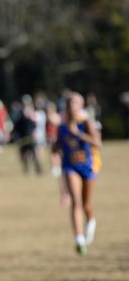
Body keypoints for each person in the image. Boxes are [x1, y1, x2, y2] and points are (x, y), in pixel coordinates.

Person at [52, 92, 102, 256]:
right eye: (68, 104)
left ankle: (91, 221)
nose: (70, 106)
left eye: (74, 103)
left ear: (80, 106)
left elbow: (97, 143)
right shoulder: (62, 126)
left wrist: (79, 134)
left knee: (87, 203)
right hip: (70, 166)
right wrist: (55, 148)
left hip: (88, 166)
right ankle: (79, 239)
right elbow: (56, 147)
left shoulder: (86, 122)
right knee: (76, 201)